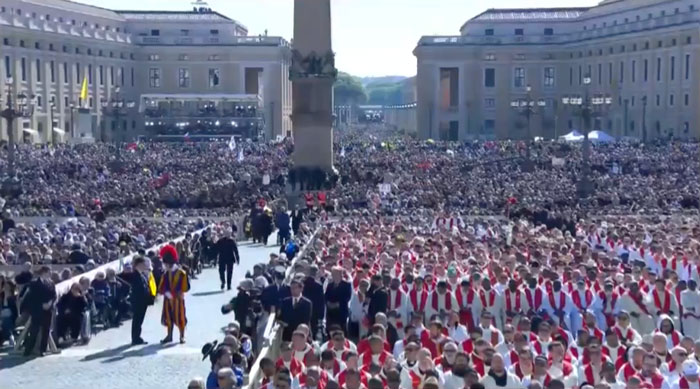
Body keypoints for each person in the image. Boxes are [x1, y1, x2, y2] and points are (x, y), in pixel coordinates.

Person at [158, 244, 190, 344]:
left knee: (180, 317)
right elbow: (162, 286)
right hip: (168, 299)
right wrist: (166, 292)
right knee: (168, 317)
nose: (164, 265)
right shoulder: (166, 273)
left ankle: (182, 336)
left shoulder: (181, 273)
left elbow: (186, 287)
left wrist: (177, 293)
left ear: (169, 263)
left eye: (165, 263)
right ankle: (169, 335)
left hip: (178, 299)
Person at [23, 265, 56, 357]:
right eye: (49, 272)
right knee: (34, 330)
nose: (50, 274)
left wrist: (50, 303)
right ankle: (28, 349)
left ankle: (43, 349)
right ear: (44, 272)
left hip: (48, 310)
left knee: (46, 330)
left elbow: (54, 295)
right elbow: (31, 298)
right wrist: (41, 305)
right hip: (37, 310)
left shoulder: (51, 283)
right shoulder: (34, 283)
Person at [129, 256, 154, 345]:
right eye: (143, 264)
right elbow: (138, 290)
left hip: (143, 302)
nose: (145, 266)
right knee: (137, 320)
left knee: (139, 320)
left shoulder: (142, 274)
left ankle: (137, 336)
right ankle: (136, 338)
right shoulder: (135, 275)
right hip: (139, 301)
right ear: (138, 265)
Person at [278, 277, 312, 342]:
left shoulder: (307, 303)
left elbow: (306, 319)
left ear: (301, 289)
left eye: (295, 288)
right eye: (291, 288)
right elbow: (281, 317)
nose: (293, 290)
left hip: (300, 334)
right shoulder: (285, 301)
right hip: (287, 335)